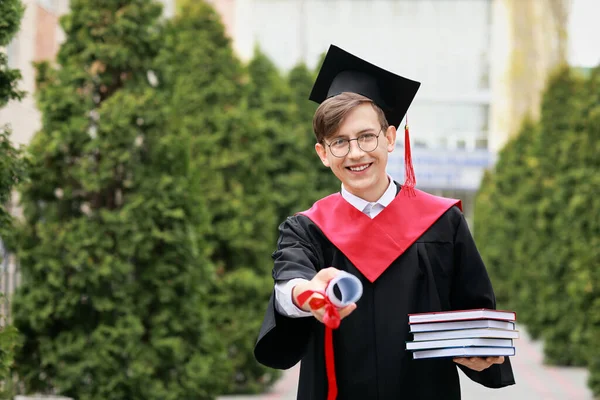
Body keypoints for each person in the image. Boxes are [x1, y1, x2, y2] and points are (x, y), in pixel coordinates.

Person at [254, 44, 515, 400]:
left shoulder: (443, 222)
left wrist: (485, 352)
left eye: (366, 136)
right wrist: (309, 293)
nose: (356, 152)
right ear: (323, 154)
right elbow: (289, 285)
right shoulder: (307, 229)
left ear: (390, 137)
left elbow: (477, 311)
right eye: (340, 142)